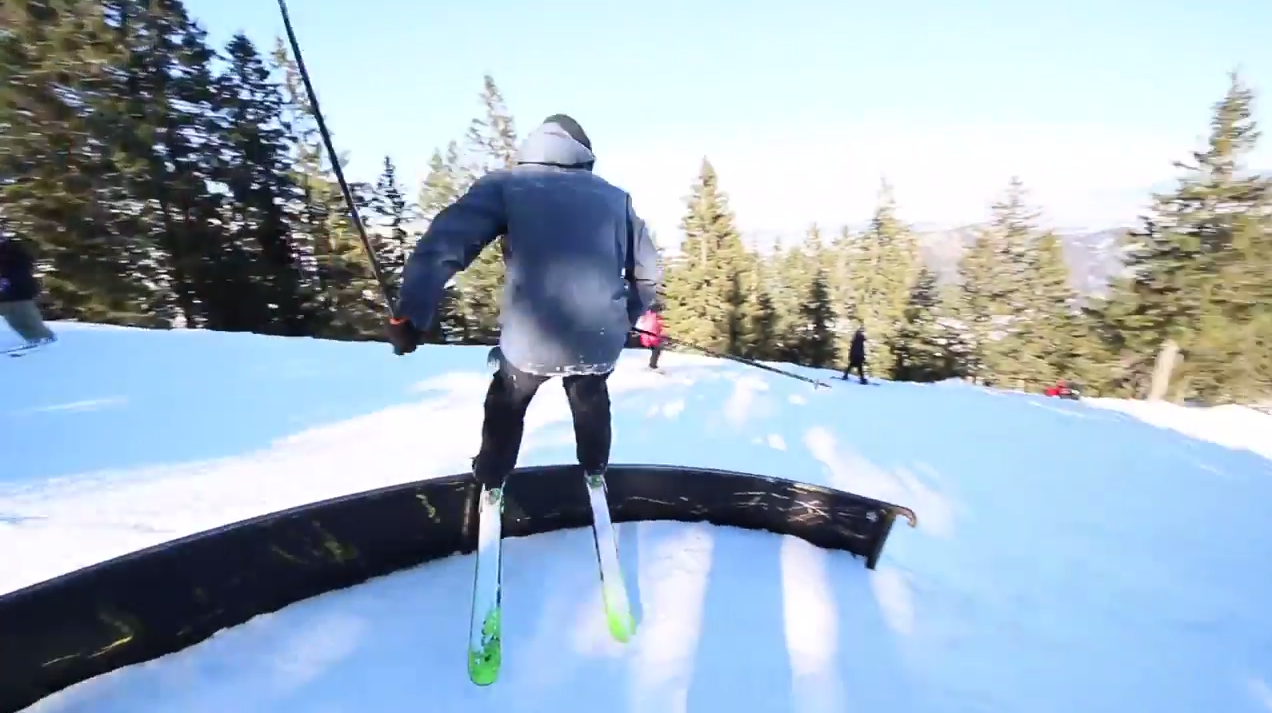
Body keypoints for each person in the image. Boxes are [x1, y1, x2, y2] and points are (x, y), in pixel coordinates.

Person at [385, 114, 662, 490]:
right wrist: (621, 319)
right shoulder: (616, 198)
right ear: (585, 154)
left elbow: (443, 245)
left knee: (507, 396)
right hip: (598, 339)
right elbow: (648, 274)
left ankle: (492, 476)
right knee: (590, 388)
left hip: (532, 339)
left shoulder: (507, 185)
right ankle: (595, 467)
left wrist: (410, 314)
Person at [0, 236, 56, 347]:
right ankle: (36, 339)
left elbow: (24, 267)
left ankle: (45, 339)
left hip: (19, 293)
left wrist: (6, 278)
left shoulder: (13, 251)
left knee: (25, 319)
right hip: (6, 295)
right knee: (16, 321)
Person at [635, 304, 665, 370]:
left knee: (656, 349)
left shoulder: (646, 315)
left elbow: (640, 323)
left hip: (645, 337)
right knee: (657, 349)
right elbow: (661, 327)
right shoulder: (658, 317)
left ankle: (652, 364)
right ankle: (653, 365)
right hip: (653, 337)